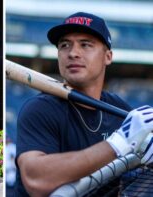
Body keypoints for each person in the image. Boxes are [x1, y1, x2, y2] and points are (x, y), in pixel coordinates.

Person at [15, 12, 153, 196]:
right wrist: (118, 143)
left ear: (108, 56)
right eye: (64, 45)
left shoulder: (119, 109)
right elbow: (36, 180)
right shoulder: (40, 109)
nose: (73, 53)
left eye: (86, 44)